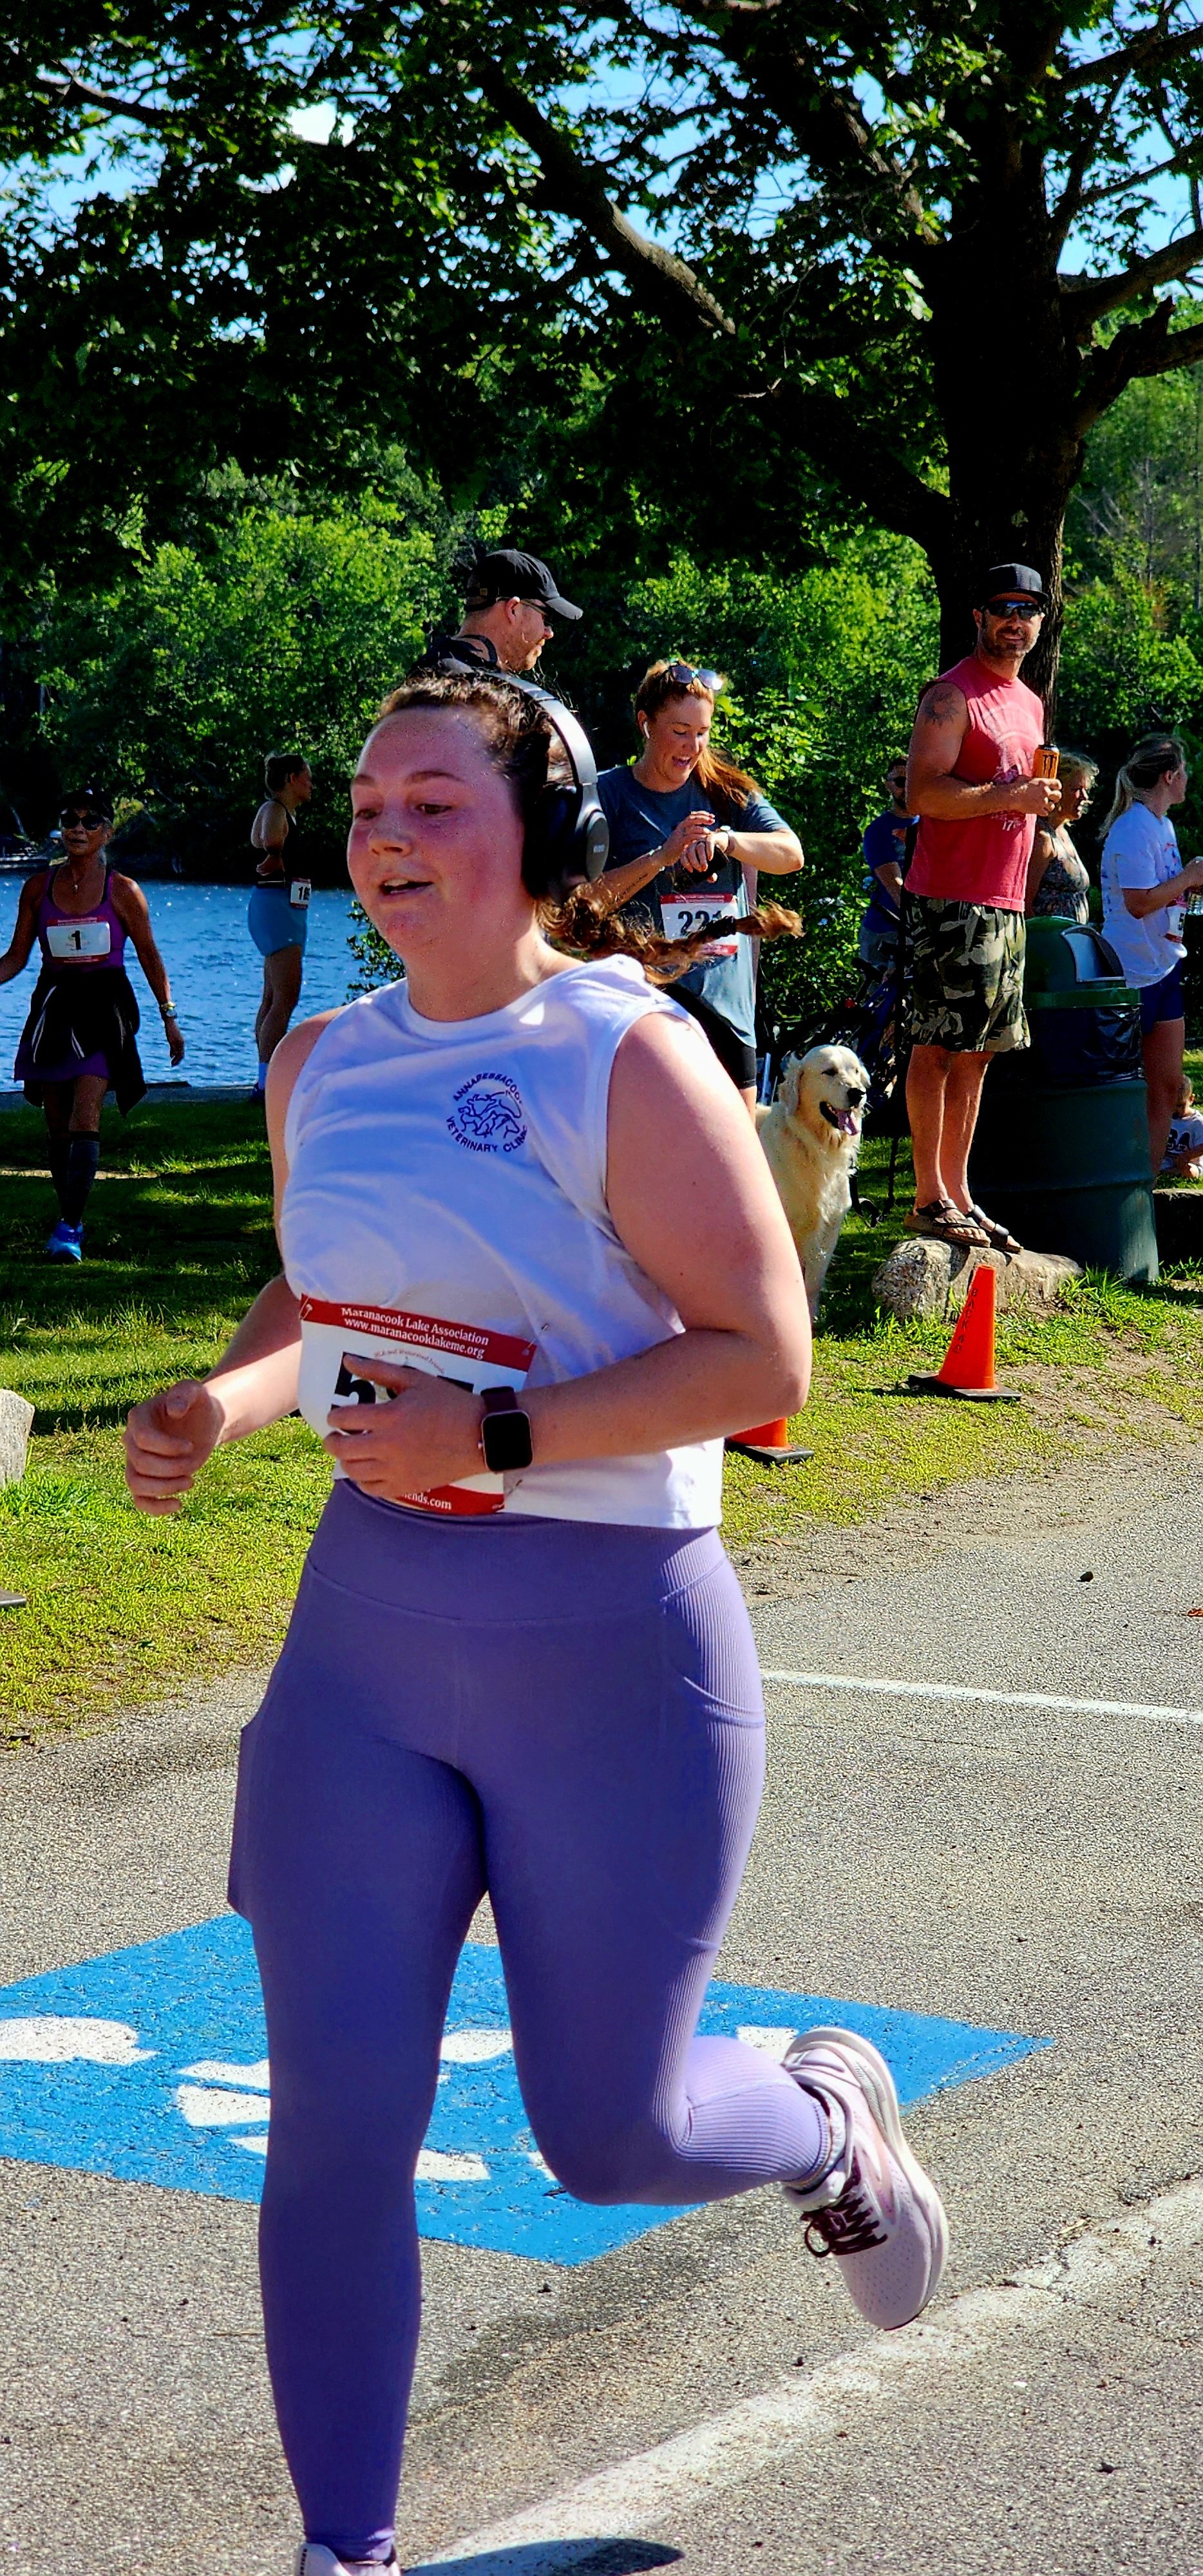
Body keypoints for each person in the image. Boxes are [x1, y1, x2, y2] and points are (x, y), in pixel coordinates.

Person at [125, 669, 948, 2576]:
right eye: (364, 805)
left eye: (430, 802)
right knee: (334, 2126)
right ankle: (349, 2548)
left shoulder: (625, 1052)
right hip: (364, 1658)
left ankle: (822, 2117)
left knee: (612, 2132)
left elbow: (765, 1357)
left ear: (542, 841)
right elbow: (324, 1292)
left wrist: (490, 1434)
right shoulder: (318, 1059)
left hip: (610, 1650)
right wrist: (224, 1403)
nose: (384, 837)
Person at [903, 561, 1061, 1255]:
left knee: (979, 1054)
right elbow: (922, 795)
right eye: (1003, 607)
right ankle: (925, 1198)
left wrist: (1048, 813)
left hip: (1003, 901)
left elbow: (1022, 795)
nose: (1015, 621)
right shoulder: (949, 694)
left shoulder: (1028, 702)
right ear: (978, 615)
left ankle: (958, 1192)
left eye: (1028, 610)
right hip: (949, 897)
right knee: (936, 1047)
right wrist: (1010, 798)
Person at [596, 660, 804, 1113]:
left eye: (703, 732)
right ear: (645, 724)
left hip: (727, 1015)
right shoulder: (607, 795)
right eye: (680, 731)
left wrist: (728, 840)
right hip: (646, 1007)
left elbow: (792, 854)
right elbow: (581, 905)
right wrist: (661, 858)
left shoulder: (726, 792)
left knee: (735, 1170)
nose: (693, 746)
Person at [0, 787, 184, 1261]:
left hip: (106, 1008)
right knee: (57, 1122)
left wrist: (169, 1018)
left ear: (107, 831)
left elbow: (149, 956)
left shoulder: (122, 890)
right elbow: (17, 958)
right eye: (70, 819)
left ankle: (70, 1228)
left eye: (89, 820)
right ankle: (69, 1215)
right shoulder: (38, 888)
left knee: (86, 1112)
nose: (78, 828)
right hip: (55, 1005)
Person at [1099, 732, 1203, 1174]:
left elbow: (1162, 893)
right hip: (1129, 971)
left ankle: (1147, 1183)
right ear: (1169, 776)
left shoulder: (1164, 825)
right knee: (1121, 1086)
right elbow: (1138, 902)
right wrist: (1189, 877)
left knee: (1164, 1088)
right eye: (1184, 774)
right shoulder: (1132, 826)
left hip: (1164, 966)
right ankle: (1113, 1179)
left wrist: (1187, 886)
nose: (1188, 783)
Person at [250, 753, 314, 1094]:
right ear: (291, 778)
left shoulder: (277, 811)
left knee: (273, 997)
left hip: (281, 910)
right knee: (286, 997)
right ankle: (266, 1083)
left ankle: (263, 1078)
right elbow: (271, 844)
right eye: (307, 777)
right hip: (278, 910)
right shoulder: (275, 811)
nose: (311, 784)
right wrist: (275, 857)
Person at [420, 545, 583, 679]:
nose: (549, 632)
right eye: (547, 618)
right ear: (513, 610)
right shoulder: (465, 685)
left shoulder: (433, 668)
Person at [1025, 751, 1098, 922]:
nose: (1084, 797)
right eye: (1076, 790)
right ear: (1056, 790)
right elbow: (1025, 904)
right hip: (1048, 943)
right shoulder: (1042, 838)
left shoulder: (1062, 833)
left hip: (1071, 941)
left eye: (1085, 790)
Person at [858, 757, 914, 973]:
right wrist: (923, 924)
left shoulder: (935, 824)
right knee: (880, 1003)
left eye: (912, 782)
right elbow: (894, 886)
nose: (906, 789)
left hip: (921, 929)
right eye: (900, 782)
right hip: (886, 931)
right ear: (888, 784)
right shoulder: (878, 831)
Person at [1161, 1072, 1203, 1180]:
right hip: (1167, 1160)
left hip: (1190, 1162)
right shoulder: (1166, 1117)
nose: (1176, 1110)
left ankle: (1176, 1172)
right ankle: (1169, 1171)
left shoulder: (1197, 1122)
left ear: (1191, 1099)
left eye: (1180, 1105)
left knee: (1189, 1171)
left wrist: (1187, 1157)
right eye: (1172, 1105)